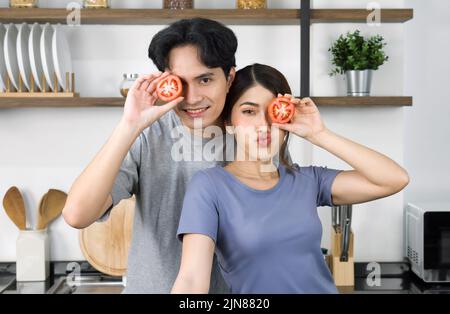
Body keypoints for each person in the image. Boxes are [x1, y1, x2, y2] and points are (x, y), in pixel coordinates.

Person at [172, 64, 410, 294]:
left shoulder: (309, 180)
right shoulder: (209, 187)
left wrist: (320, 134)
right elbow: (191, 280)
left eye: (273, 112)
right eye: (249, 111)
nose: (264, 126)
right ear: (228, 122)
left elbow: (393, 179)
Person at [62, 18, 238, 293]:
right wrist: (128, 126)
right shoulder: (147, 134)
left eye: (204, 79)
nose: (191, 98)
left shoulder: (257, 136)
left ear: (229, 79)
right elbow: (76, 215)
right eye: (179, 82)